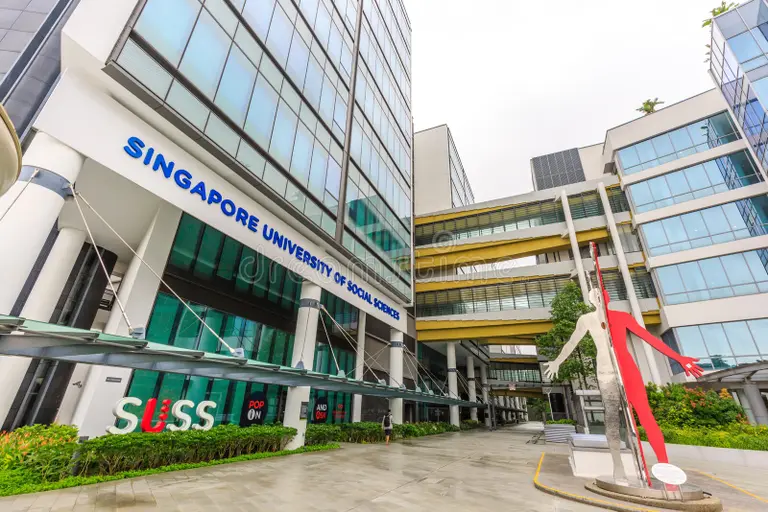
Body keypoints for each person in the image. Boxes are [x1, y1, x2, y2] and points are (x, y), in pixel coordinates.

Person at [543, 285, 702, 483]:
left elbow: (648, 338)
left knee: (645, 415)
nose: (599, 299)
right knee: (611, 418)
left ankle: (665, 466)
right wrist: (557, 361)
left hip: (627, 369)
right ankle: (618, 467)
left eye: (602, 295)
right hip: (605, 372)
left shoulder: (622, 316)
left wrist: (678, 357)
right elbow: (571, 343)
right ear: (592, 300)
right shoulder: (587, 320)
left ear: (607, 298)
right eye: (595, 296)